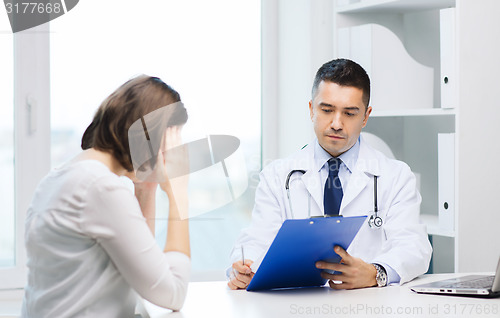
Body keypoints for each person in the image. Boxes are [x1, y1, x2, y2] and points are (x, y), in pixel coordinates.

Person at [228, 58, 432, 290]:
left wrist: (376, 272)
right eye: (326, 110)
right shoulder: (277, 175)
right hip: (297, 306)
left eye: (349, 113)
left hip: (369, 305)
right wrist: (246, 267)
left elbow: (414, 247)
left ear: (365, 116)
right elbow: (257, 239)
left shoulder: (395, 176)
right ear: (311, 110)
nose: (336, 123)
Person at [22, 75, 191, 317]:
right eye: (172, 141)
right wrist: (178, 192)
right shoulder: (100, 187)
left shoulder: (63, 178)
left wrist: (147, 187)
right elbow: (172, 292)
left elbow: (143, 271)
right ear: (152, 138)